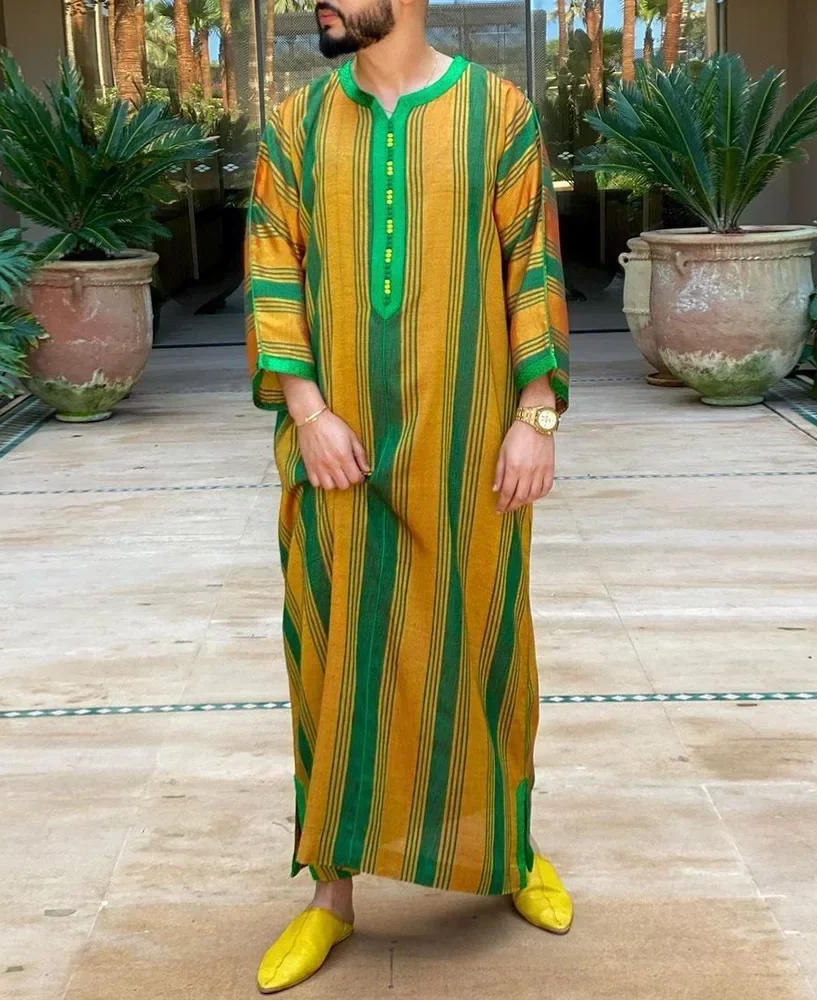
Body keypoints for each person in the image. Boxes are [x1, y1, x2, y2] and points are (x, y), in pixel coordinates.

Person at [245, 0, 571, 990]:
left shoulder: (498, 113)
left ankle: (509, 852)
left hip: (470, 445)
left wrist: (535, 414)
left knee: (484, 645)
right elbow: (272, 264)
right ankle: (330, 895)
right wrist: (307, 411)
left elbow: (532, 263)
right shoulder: (297, 125)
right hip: (336, 447)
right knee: (333, 651)